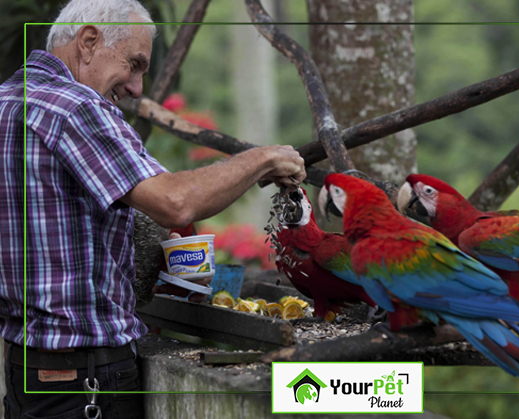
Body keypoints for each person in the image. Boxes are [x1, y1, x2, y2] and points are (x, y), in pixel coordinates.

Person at [0, 0, 306, 417]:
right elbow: (175, 202)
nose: (137, 88)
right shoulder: (74, 107)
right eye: (135, 63)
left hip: (25, 373)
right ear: (88, 41)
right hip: (88, 383)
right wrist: (261, 159)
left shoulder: (8, 101)